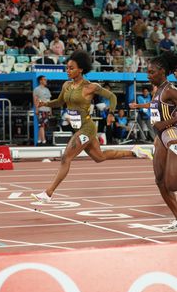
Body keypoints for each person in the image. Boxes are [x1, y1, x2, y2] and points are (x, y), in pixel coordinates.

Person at [31, 50, 152, 203]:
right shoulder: (66, 85)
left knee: (66, 157)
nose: (68, 71)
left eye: (71, 68)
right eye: (67, 68)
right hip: (77, 127)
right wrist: (45, 104)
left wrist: (110, 114)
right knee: (99, 157)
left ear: (80, 69)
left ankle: (48, 193)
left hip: (87, 128)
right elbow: (60, 102)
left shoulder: (90, 87)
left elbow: (112, 97)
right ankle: (134, 152)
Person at [144, 52, 177, 232]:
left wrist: (168, 122)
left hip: (172, 135)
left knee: (172, 183)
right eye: (147, 72)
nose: (148, 76)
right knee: (160, 181)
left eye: (151, 72)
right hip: (160, 137)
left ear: (162, 71)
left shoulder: (171, 89)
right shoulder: (157, 90)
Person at [33, 75, 51, 145]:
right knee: (41, 125)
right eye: (44, 80)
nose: (46, 81)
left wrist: (50, 109)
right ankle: (44, 141)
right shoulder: (37, 89)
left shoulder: (47, 90)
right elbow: (35, 100)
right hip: (41, 109)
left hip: (46, 109)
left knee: (43, 125)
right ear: (40, 81)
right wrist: (37, 109)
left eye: (46, 80)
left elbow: (49, 100)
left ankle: (39, 140)